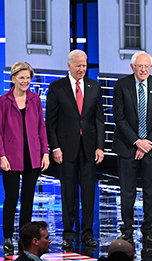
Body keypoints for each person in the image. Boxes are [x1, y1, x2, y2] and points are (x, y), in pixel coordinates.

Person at [45, 49, 105, 250]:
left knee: (88, 193)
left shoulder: (94, 87)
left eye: (84, 65)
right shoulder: (56, 87)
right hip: (66, 149)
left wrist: (100, 146)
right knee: (68, 193)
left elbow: (99, 120)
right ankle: (68, 233)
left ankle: (87, 233)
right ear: (69, 65)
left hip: (88, 149)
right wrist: (55, 147)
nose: (82, 69)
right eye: (78, 65)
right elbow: (50, 122)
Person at [0, 61, 50, 256]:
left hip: (32, 155)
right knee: (11, 198)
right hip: (11, 156)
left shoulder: (35, 99)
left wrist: (45, 152)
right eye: (21, 77)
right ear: (13, 79)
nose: (25, 81)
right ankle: (7, 237)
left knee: (28, 199)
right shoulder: (4, 100)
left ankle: (24, 238)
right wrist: (1, 155)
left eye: (28, 78)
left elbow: (41, 128)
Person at [113, 51, 152, 247]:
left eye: (147, 67)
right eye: (140, 66)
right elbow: (118, 117)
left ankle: (148, 230)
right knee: (127, 191)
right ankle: (127, 230)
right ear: (132, 67)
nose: (144, 70)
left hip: (151, 148)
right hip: (128, 146)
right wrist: (137, 141)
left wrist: (147, 143)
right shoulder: (121, 85)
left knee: (151, 191)